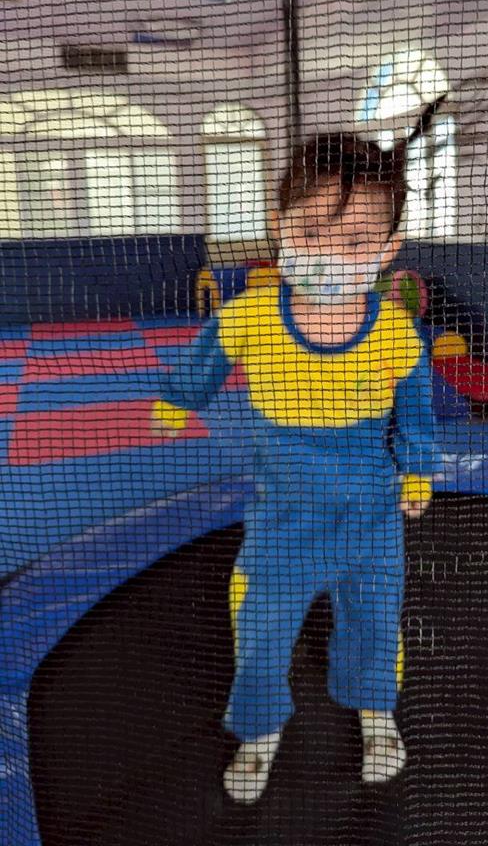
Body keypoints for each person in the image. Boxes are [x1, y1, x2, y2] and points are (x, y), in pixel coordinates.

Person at [150, 102, 443, 803]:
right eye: (312, 233)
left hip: (371, 516)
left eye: (355, 241)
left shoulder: (394, 331)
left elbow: (417, 411)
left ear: (388, 249)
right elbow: (206, 357)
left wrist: (419, 471)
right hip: (283, 522)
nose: (330, 254)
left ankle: (376, 714)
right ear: (280, 228)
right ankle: (259, 727)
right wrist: (179, 400)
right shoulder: (250, 316)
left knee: (375, 625)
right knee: (260, 628)